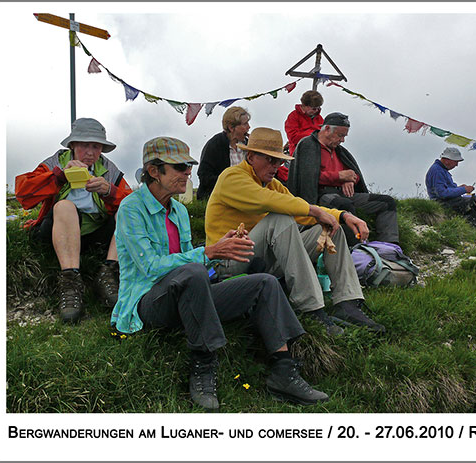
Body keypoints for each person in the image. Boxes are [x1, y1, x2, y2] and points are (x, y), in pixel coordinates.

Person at [111, 136, 328, 411]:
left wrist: (222, 251)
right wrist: (209, 252)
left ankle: (283, 371)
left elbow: (194, 263)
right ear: (154, 171)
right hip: (147, 303)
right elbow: (151, 267)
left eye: (188, 166)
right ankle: (203, 363)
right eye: (179, 167)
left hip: (187, 293)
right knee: (192, 271)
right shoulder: (131, 208)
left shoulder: (177, 209)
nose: (188, 172)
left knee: (265, 282)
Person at [205, 127, 386, 337]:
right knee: (278, 218)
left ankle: (348, 303)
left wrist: (342, 216)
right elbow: (269, 201)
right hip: (227, 263)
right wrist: (315, 210)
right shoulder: (232, 177)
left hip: (259, 258)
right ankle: (310, 308)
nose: (275, 166)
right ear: (251, 156)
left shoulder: (271, 184)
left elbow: (298, 207)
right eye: (270, 160)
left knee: (330, 229)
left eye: (279, 161)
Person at [15, 118, 132, 323]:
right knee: (65, 206)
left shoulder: (109, 170)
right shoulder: (55, 163)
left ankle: (108, 272)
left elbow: (131, 204)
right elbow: (23, 194)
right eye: (84, 145)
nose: (90, 152)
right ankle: (70, 281)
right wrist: (58, 177)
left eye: (95, 146)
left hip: (96, 234)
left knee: (127, 208)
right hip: (57, 230)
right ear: (72, 145)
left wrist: (109, 191)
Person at [287, 112, 399, 246]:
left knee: (387, 202)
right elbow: (307, 177)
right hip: (321, 196)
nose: (343, 140)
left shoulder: (339, 151)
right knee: (344, 205)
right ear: (327, 129)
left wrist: (349, 179)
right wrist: (339, 176)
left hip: (343, 193)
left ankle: (390, 246)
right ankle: (358, 246)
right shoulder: (307, 145)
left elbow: (354, 173)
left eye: (344, 136)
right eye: (340, 135)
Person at [425, 147, 476, 230]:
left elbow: (443, 189)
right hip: (444, 203)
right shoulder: (438, 171)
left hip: (447, 201)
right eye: (455, 162)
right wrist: (464, 190)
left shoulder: (440, 170)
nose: (456, 165)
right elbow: (442, 193)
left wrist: (458, 188)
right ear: (447, 160)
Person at [196, 106, 251, 200]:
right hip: (218, 199)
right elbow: (204, 175)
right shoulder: (214, 144)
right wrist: (230, 182)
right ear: (231, 128)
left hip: (244, 198)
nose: (249, 127)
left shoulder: (249, 146)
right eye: (245, 124)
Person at [277, 90, 325, 183]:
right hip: (299, 155)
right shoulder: (293, 117)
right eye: (314, 108)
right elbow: (293, 137)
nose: (316, 111)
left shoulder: (319, 118)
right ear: (305, 106)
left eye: (318, 108)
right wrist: (314, 134)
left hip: (318, 155)